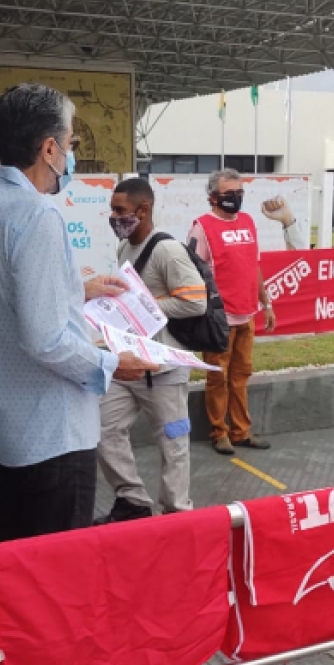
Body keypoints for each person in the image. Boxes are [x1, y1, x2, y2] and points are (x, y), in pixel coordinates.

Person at [0, 82, 154, 665]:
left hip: (10, 432)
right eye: (69, 143)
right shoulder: (34, 217)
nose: (70, 153)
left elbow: (13, 307)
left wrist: (80, 290)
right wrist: (111, 360)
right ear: (47, 147)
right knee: (63, 587)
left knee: (18, 573)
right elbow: (43, 339)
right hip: (53, 434)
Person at [96, 178, 208, 523]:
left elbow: (196, 301)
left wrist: (146, 305)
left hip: (164, 369)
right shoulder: (125, 248)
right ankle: (132, 499)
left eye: (120, 211)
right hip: (129, 364)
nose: (114, 217)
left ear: (143, 210)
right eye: (112, 210)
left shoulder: (168, 251)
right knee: (102, 429)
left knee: (173, 443)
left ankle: (176, 512)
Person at [188, 169, 307, 455]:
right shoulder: (202, 227)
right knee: (218, 377)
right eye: (229, 194)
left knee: (241, 375)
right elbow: (193, 272)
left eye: (239, 194)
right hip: (219, 319)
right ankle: (220, 433)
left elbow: (254, 267)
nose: (235, 199)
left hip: (247, 314)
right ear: (213, 197)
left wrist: (266, 304)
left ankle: (242, 431)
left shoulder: (248, 222)